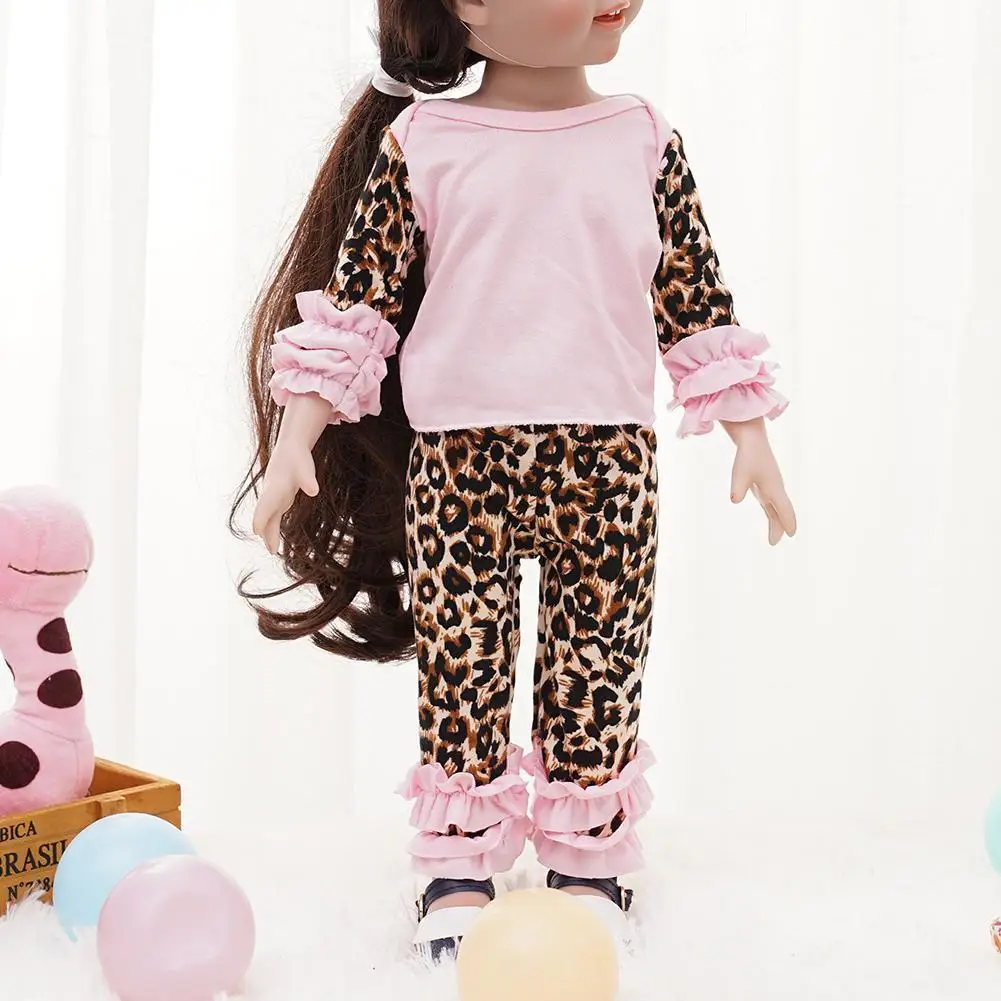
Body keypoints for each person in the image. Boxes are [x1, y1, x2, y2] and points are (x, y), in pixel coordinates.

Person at [231, 0, 797, 964]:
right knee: (463, 665)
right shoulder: (424, 141)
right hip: (460, 464)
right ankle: (457, 866)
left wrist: (751, 432)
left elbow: (693, 297)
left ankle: (587, 860)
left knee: (600, 661)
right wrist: (297, 441)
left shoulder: (642, 138)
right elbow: (362, 302)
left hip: (607, 463)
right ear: (470, 5)